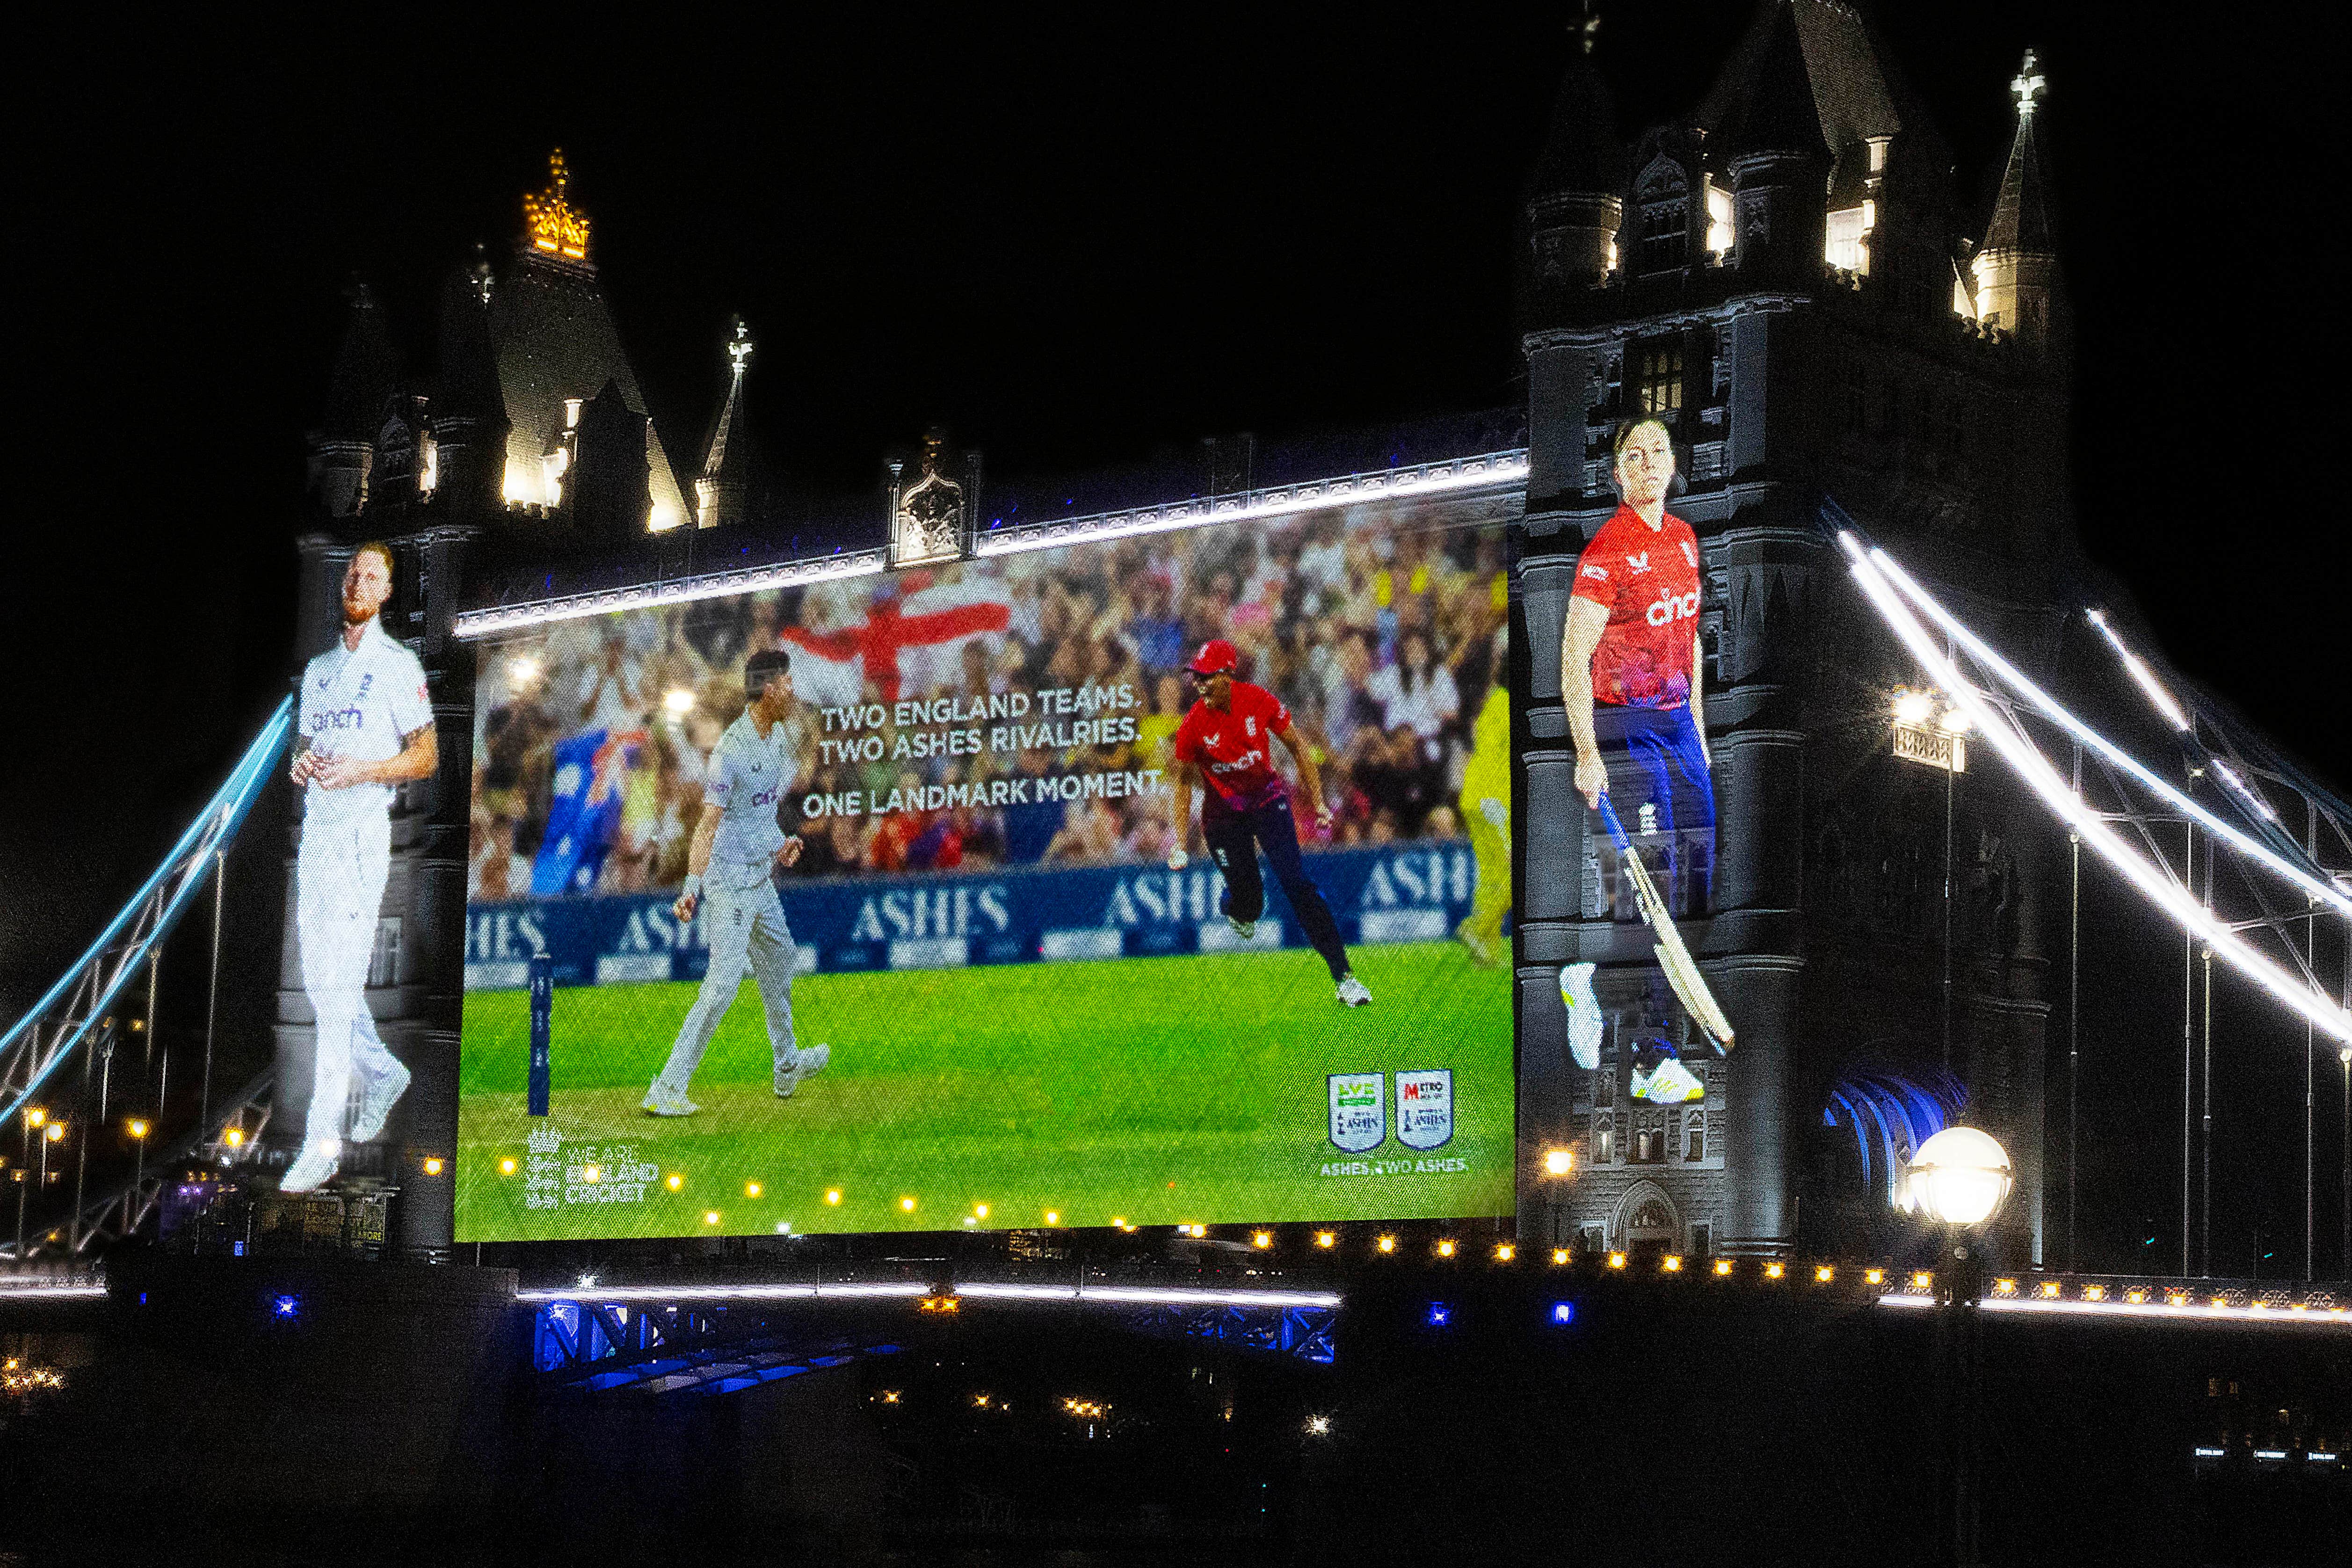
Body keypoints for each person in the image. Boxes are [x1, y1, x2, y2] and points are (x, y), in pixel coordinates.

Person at [1557, 417, 1713, 1104]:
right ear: (1617, 473)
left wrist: (1700, 734)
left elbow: (1692, 641)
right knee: (1648, 882)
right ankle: (1652, 1054)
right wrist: (1588, 752)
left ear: (1674, 464)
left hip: (1677, 724)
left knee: (1695, 880)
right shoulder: (1606, 553)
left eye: (1658, 452)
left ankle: (1595, 978)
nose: (1647, 463)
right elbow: (1573, 657)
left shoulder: (1683, 539)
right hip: (1624, 726)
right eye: (1633, 455)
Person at [282, 543, 437, 1193]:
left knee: (339, 980)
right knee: (322, 986)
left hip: (360, 833)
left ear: (387, 591)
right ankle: (382, 1071)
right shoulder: (318, 671)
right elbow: (312, 742)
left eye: (373, 575)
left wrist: (368, 770)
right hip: (317, 830)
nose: (358, 581)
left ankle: (323, 1141)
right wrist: (302, 761)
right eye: (352, 572)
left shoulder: (399, 666)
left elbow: (426, 756)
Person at [643, 649, 831, 1116]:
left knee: (781, 958)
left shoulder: (780, 736)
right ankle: (666, 1087)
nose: (793, 693)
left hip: (759, 879)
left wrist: (779, 844)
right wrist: (691, 886)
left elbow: (758, 815)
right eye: (787, 685)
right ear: (769, 690)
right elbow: (708, 827)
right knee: (722, 987)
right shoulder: (729, 753)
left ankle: (787, 1061)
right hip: (727, 883)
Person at [1166, 639, 1371, 1007]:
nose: (1198, 684)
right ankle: (1235, 907)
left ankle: (1345, 978)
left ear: (1228, 674)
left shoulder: (1259, 701)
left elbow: (1298, 746)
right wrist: (1180, 841)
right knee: (1251, 905)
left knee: (1297, 883)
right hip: (1222, 819)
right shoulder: (1193, 725)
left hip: (1267, 802)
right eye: (1195, 678)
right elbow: (1183, 782)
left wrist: (1320, 801)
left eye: (1206, 677)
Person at [1455, 629, 1511, 967]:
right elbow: (1494, 756)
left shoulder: (1494, 701)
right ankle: (1477, 928)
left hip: (1474, 795)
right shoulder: (1508, 707)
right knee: (1515, 872)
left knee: (1491, 874)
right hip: (1494, 799)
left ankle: (1485, 952)